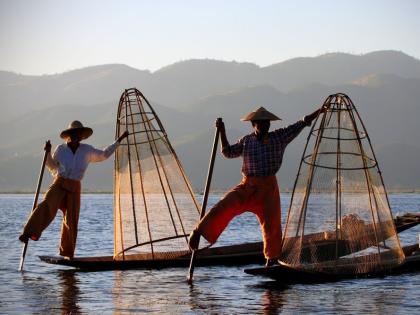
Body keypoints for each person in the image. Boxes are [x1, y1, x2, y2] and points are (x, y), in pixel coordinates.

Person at [188, 106, 323, 266]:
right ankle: (198, 232)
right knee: (225, 205)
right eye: (260, 123)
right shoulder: (246, 141)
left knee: (272, 226)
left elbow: (302, 123)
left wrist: (319, 111)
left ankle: (271, 259)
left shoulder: (278, 137)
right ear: (253, 124)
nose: (264, 126)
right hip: (247, 186)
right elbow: (227, 152)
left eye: (266, 123)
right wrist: (222, 131)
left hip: (268, 189)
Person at [18, 120, 129, 259]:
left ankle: (67, 253)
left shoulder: (87, 150)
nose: (76, 136)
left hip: (75, 186)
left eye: (79, 134)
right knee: (47, 204)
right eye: (73, 133)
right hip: (60, 182)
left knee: (71, 220)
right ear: (69, 135)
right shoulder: (61, 149)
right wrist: (47, 152)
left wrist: (119, 140)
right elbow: (52, 166)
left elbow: (104, 155)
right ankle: (28, 233)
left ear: (81, 136)